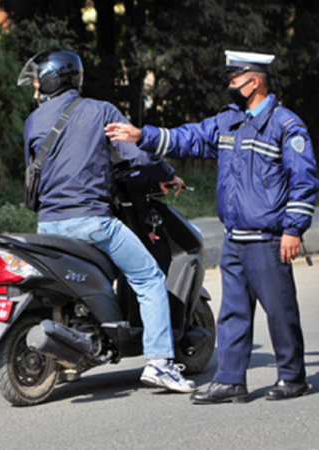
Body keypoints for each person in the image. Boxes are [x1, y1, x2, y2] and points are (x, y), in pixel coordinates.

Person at [105, 50, 319, 403]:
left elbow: (304, 182)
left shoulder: (286, 126)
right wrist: (142, 135)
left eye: (236, 80)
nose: (231, 86)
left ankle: (293, 377)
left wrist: (294, 230)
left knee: (280, 313)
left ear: (256, 81)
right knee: (232, 313)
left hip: (268, 238)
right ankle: (231, 380)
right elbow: (188, 138)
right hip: (235, 237)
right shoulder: (229, 122)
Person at [19, 49, 196, 393]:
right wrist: (167, 175)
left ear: (50, 81)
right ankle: (160, 363)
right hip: (91, 222)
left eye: (39, 82)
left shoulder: (34, 120)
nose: (36, 88)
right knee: (148, 278)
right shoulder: (102, 110)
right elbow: (137, 153)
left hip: (48, 226)